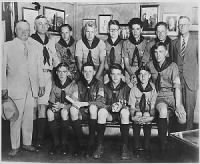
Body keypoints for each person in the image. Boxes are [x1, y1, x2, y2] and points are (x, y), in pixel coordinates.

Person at [2, 20, 45, 156]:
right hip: (14, 88)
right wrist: (2, 88)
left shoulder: (36, 46)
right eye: (21, 29)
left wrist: (42, 84)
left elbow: (40, 67)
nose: (24, 32)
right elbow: (1, 69)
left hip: (31, 87)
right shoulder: (6, 46)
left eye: (27, 29)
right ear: (15, 30)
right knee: (15, 117)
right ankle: (15, 146)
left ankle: (27, 143)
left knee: (28, 117)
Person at [147, 42, 186, 157]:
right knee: (163, 110)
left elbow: (177, 86)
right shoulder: (150, 65)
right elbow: (146, 82)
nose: (158, 55)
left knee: (182, 117)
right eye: (155, 52)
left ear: (166, 53)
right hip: (158, 96)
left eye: (161, 52)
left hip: (172, 95)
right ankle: (163, 146)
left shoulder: (172, 65)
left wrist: (178, 105)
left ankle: (179, 147)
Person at [31, 15, 60, 149]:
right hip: (34, 76)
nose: (42, 26)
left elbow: (55, 59)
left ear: (48, 26)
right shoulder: (30, 40)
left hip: (48, 75)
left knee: (43, 106)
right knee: (34, 107)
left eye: (45, 24)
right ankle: (33, 138)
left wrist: (60, 68)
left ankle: (40, 138)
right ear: (35, 26)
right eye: (39, 24)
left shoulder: (50, 41)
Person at [93, 63, 131, 160]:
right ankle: (99, 145)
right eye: (113, 74)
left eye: (118, 74)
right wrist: (110, 107)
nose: (115, 76)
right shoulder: (104, 86)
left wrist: (122, 106)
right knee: (101, 112)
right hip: (109, 114)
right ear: (109, 75)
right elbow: (99, 102)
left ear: (122, 75)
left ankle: (124, 146)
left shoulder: (127, 87)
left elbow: (131, 105)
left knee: (125, 112)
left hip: (122, 115)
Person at [69, 62, 105, 157]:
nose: (87, 74)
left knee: (93, 107)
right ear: (82, 72)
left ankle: (91, 142)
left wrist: (85, 103)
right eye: (85, 71)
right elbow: (75, 98)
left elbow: (100, 102)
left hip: (94, 113)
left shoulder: (99, 83)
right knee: (72, 109)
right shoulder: (79, 83)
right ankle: (80, 143)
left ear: (94, 72)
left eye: (90, 71)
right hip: (82, 112)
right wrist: (75, 101)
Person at [171, 16, 199, 130]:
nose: (182, 27)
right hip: (178, 81)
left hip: (191, 81)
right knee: (177, 109)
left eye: (184, 24)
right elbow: (173, 63)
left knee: (190, 109)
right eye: (180, 25)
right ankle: (178, 135)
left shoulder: (197, 42)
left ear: (189, 25)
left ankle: (188, 135)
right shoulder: (174, 43)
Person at [128, 66, 157, 159]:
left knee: (146, 114)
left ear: (149, 76)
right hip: (137, 112)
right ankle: (136, 146)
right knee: (138, 114)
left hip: (147, 112)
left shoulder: (153, 89)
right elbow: (132, 107)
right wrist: (132, 117)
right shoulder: (134, 89)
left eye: (145, 74)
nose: (143, 76)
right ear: (138, 76)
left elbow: (152, 107)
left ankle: (146, 146)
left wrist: (151, 117)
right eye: (140, 74)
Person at [47, 63, 75, 155]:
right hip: (58, 107)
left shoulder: (73, 84)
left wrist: (63, 106)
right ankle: (56, 143)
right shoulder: (55, 84)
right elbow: (51, 100)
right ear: (56, 72)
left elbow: (75, 103)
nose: (61, 74)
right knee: (49, 112)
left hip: (70, 109)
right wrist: (54, 107)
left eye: (64, 72)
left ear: (68, 73)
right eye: (59, 72)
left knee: (63, 112)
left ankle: (64, 143)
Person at [123, 18, 148, 88]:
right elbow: (126, 63)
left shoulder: (146, 43)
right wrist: (132, 74)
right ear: (131, 30)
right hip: (129, 70)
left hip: (142, 70)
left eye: (137, 29)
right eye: (133, 29)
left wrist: (139, 74)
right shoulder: (126, 43)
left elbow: (146, 62)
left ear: (141, 29)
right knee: (129, 89)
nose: (135, 32)